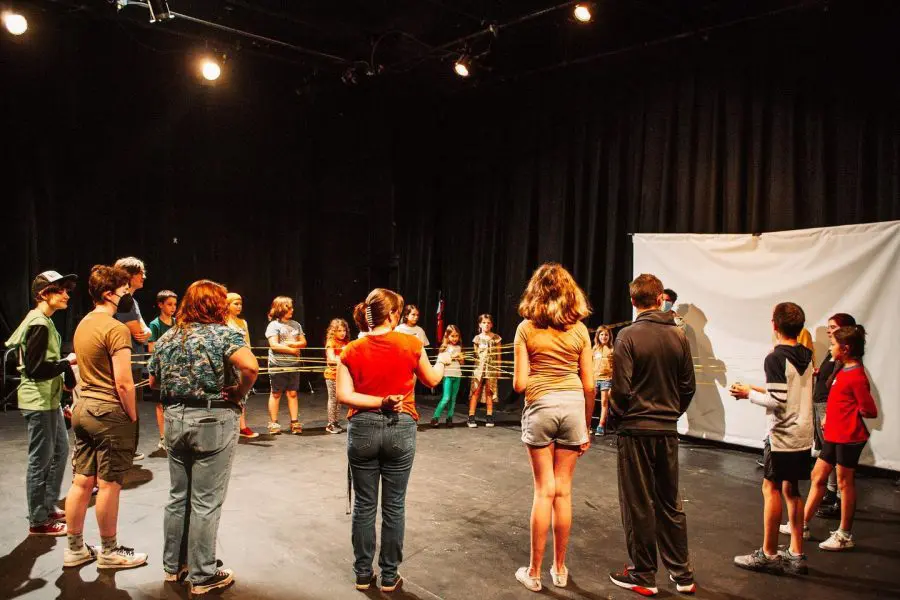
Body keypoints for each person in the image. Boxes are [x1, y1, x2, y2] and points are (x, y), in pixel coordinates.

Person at [336, 288, 451, 593]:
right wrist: (444, 360)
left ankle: (363, 574)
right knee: (394, 505)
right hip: (400, 429)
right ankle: (389, 576)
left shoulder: (350, 350)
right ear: (392, 315)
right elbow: (433, 379)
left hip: (361, 429)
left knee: (364, 505)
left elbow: (344, 396)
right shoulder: (411, 344)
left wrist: (375, 402)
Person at [149, 280, 259, 594]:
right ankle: (202, 575)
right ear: (216, 305)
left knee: (177, 497)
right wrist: (238, 392)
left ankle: (174, 567)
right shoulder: (225, 333)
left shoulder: (169, 336)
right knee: (205, 501)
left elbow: (154, 382)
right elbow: (251, 367)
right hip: (213, 419)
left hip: (174, 419)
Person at [608, 274, 696, 596]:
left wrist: (617, 418)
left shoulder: (628, 336)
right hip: (666, 430)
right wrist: (670, 413)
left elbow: (620, 389)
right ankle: (682, 574)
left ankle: (644, 574)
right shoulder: (680, 337)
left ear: (633, 301)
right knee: (669, 502)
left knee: (638, 503)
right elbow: (688, 387)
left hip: (636, 430)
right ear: (660, 298)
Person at [512, 264, 594, 592]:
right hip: (574, 408)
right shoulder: (580, 331)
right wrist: (586, 426)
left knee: (543, 491)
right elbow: (590, 385)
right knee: (564, 492)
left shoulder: (525, 329)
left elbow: (519, 384)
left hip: (541, 407)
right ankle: (559, 569)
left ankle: (533, 572)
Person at [64, 265, 147, 569]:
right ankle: (109, 552)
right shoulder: (116, 329)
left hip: (84, 409)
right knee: (109, 484)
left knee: (82, 481)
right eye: (124, 290)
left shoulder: (83, 324)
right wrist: (133, 415)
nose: (127, 295)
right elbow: (124, 382)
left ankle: (75, 549)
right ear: (109, 294)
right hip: (108, 413)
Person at [731, 302, 814, 576]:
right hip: (802, 434)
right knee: (793, 490)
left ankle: (768, 553)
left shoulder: (776, 357)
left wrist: (747, 395)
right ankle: (796, 553)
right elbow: (789, 392)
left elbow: (777, 401)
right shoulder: (806, 354)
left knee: (772, 489)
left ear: (774, 325)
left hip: (781, 436)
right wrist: (752, 387)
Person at [5, 271, 77, 536]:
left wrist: (65, 375)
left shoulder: (44, 321)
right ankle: (38, 520)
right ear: (43, 294)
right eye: (60, 290)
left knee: (60, 450)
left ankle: (46, 505)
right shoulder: (38, 323)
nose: (66, 295)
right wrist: (66, 363)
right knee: (41, 460)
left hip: (50, 399)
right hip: (38, 401)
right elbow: (35, 369)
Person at [799, 325, 877, 551]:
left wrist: (847, 417)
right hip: (834, 434)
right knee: (818, 475)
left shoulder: (856, 375)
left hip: (848, 437)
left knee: (844, 483)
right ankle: (802, 524)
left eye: (833, 344)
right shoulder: (843, 370)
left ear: (845, 348)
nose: (830, 347)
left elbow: (870, 410)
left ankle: (844, 534)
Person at [809, 313, 856, 519]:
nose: (829, 331)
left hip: (828, 407)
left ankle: (836, 498)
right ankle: (830, 493)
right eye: (828, 327)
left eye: (833, 327)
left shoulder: (847, 362)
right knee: (826, 454)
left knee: (834, 458)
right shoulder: (832, 352)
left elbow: (866, 406)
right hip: (821, 404)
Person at [113, 257, 152, 461]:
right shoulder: (124, 301)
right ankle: (124, 450)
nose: (144, 276)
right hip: (126, 360)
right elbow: (137, 331)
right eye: (140, 272)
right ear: (129, 276)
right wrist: (143, 332)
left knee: (132, 404)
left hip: (133, 358)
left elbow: (146, 332)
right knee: (126, 403)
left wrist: (144, 332)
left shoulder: (132, 301)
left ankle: (128, 449)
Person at [264, 296, 307, 435]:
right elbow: (274, 345)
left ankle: (294, 422)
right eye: (289, 307)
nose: (292, 310)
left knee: (292, 393)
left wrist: (294, 344)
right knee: (276, 393)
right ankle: (274, 422)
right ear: (281, 309)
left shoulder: (296, 324)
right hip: (278, 365)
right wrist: (291, 350)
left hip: (293, 364)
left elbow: (303, 342)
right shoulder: (273, 325)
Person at [225, 293, 259, 438]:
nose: (239, 306)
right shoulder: (223, 322)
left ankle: (242, 426)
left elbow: (247, 343)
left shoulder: (242, 322)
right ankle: (229, 426)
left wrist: (250, 359)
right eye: (235, 303)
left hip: (241, 361)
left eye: (240, 303)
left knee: (241, 393)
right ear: (227, 305)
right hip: (228, 362)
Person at [148, 290, 178, 451]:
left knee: (174, 403)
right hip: (161, 369)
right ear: (160, 305)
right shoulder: (155, 325)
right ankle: (163, 437)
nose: (173, 308)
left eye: (174, 304)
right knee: (160, 404)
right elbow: (152, 347)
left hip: (175, 370)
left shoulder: (177, 323)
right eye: (169, 304)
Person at [467, 314, 502, 428]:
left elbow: (499, 355)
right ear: (480, 324)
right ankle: (471, 416)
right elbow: (475, 355)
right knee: (475, 391)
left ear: (491, 324)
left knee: (489, 391)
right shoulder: (477, 339)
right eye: (484, 322)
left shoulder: (496, 338)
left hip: (491, 369)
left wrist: (498, 369)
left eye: (488, 322)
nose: (486, 324)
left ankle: (489, 415)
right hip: (478, 369)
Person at [430, 325, 465, 426]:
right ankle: (435, 417)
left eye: (457, 336)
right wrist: (452, 356)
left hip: (457, 375)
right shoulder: (444, 347)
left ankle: (449, 418)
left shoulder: (459, 347)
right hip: (448, 375)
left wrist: (461, 358)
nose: (455, 338)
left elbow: (462, 363)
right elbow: (441, 360)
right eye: (452, 336)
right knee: (446, 398)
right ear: (447, 336)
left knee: (453, 398)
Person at [324, 318, 350, 434]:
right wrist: (343, 355)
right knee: (333, 400)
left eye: (344, 330)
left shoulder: (345, 343)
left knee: (339, 400)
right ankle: (330, 423)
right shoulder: (331, 342)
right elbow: (331, 360)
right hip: (332, 375)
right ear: (333, 331)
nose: (342, 333)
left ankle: (336, 421)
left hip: (341, 375)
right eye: (339, 330)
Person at [591, 326, 614, 436]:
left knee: (604, 403)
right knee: (590, 402)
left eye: (606, 334)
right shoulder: (594, 349)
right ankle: (587, 425)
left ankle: (601, 425)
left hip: (606, 379)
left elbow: (615, 366)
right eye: (601, 334)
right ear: (598, 336)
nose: (604, 337)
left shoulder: (612, 349)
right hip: (594, 379)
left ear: (609, 336)